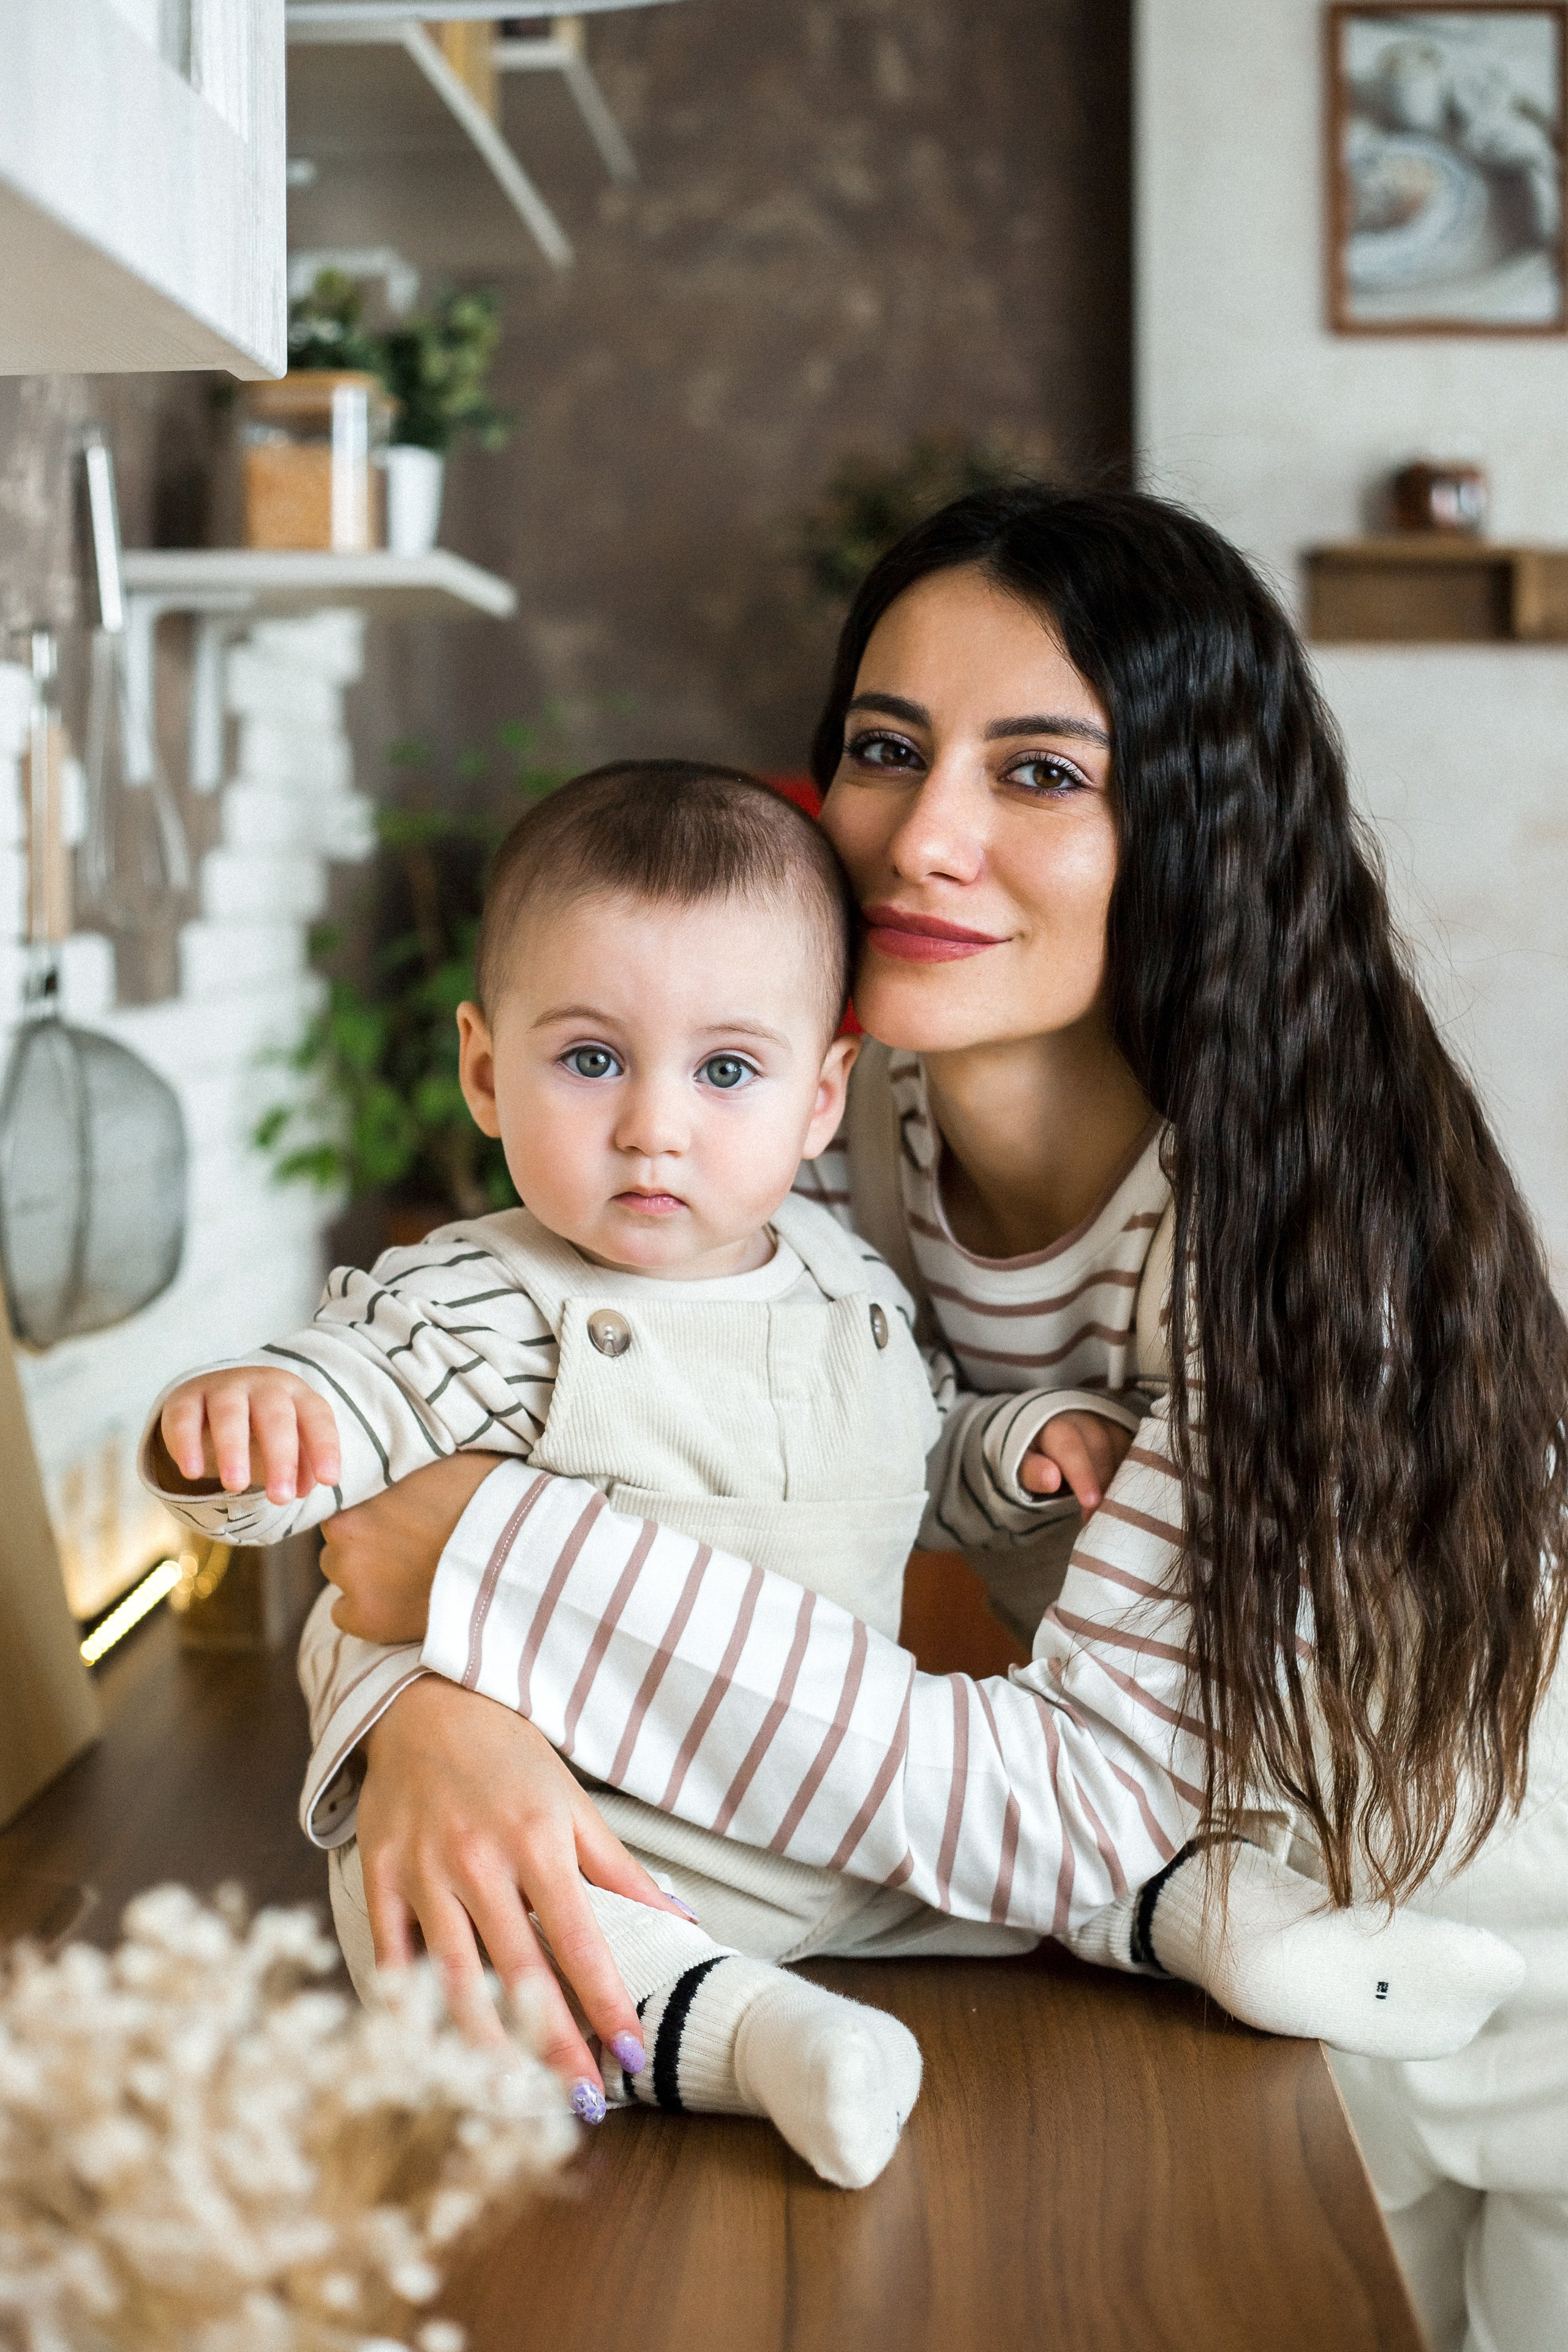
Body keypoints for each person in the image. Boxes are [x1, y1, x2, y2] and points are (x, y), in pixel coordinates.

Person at [298, 487, 1568, 2351]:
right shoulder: (850, 1133)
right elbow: (479, 1443)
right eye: (887, 750)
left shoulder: (1306, 1237)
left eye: (1042, 773)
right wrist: (430, 1714)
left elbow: (1080, 1804)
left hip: (1520, 1995)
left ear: (1194, 827)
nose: (925, 838)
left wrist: (490, 1559)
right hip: (1281, 1997)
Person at [141, 760, 1139, 2188]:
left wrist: (1019, 1451)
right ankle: (757, 2040)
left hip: (833, 1818)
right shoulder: (479, 1298)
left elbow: (911, 1454)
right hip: (583, 1840)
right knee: (433, 1941)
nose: (651, 1125)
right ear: (486, 1069)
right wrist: (253, 1417)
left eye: (724, 1070)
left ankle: (1215, 1922)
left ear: (817, 1097)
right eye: (591, 1059)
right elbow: (342, 1421)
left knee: (1049, 1879)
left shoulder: (845, 1280)